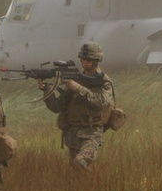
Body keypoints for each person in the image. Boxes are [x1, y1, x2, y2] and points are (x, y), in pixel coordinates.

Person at [39, 42, 115, 171]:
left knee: (79, 162)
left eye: (89, 60)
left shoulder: (103, 81)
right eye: (83, 59)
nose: (85, 62)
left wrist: (78, 88)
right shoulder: (75, 78)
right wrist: (46, 89)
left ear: (96, 60)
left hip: (92, 133)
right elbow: (57, 106)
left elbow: (102, 102)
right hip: (73, 134)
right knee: (74, 173)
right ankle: (88, 189)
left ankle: (95, 183)